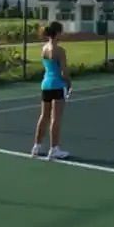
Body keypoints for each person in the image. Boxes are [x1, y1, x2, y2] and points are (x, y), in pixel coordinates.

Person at [32, 21, 71, 160]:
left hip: (45, 85)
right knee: (56, 118)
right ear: (57, 33)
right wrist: (69, 83)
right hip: (57, 85)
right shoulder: (60, 50)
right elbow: (63, 72)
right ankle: (54, 148)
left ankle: (36, 146)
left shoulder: (44, 48)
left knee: (44, 116)